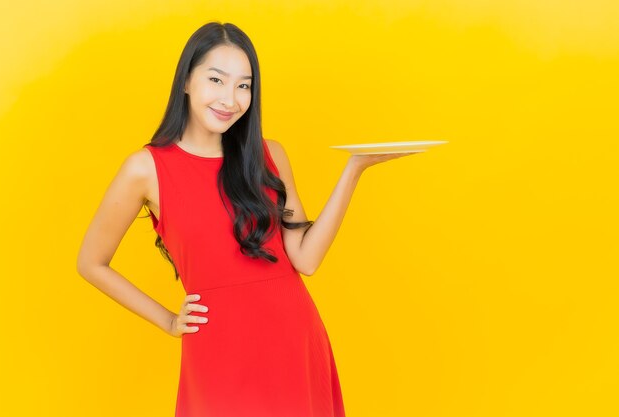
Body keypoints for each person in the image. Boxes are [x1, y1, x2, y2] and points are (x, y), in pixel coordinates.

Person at [76, 21, 415, 417]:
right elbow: (91, 262)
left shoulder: (270, 154)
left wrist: (354, 169)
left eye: (244, 85)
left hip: (295, 339)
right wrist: (168, 320)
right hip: (219, 350)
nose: (231, 98)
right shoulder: (145, 168)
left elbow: (306, 259)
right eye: (217, 80)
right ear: (186, 81)